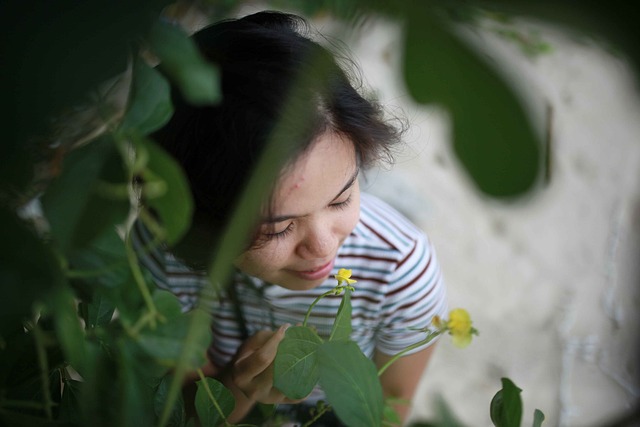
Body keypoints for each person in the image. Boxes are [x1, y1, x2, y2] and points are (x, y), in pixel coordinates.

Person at [132, 10, 447, 425]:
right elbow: (181, 412)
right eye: (279, 227)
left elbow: (389, 408)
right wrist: (238, 387)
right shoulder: (162, 252)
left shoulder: (400, 268)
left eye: (341, 198)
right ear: (202, 226)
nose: (322, 246)